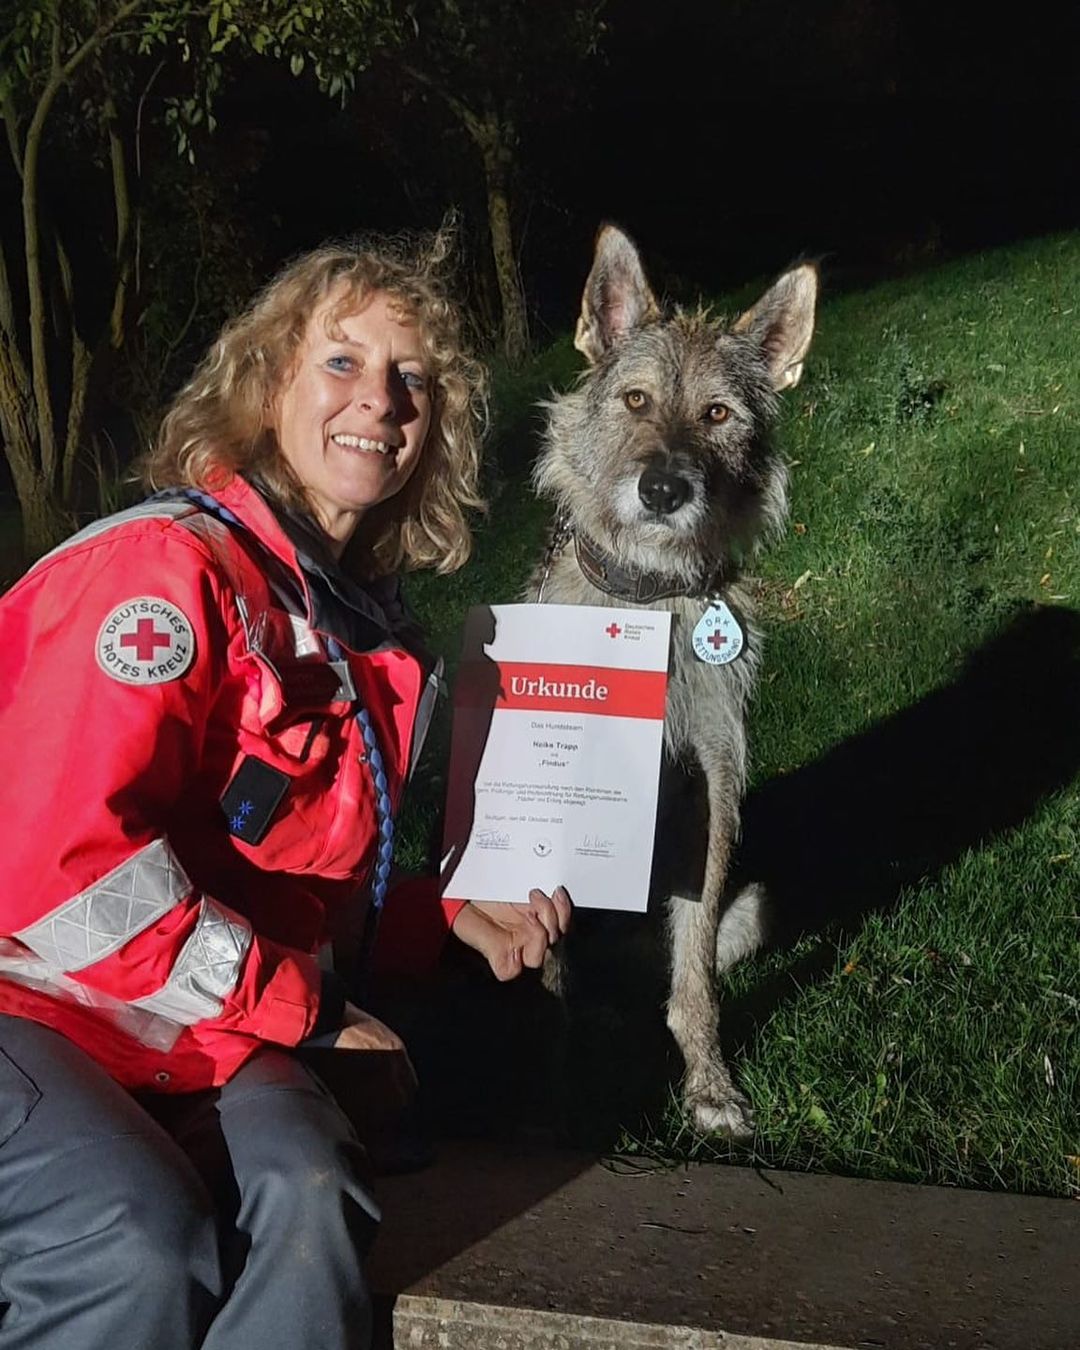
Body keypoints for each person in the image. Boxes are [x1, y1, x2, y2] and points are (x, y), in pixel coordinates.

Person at [0, 232, 571, 1350]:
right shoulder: (165, 578)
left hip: (199, 1030)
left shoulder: (356, 624)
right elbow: (62, 879)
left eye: (415, 378)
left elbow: (284, 883)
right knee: (130, 1243)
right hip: (36, 1006)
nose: (382, 401)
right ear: (268, 388)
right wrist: (307, 1013)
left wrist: (439, 918)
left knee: (313, 1204)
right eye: (343, 362)